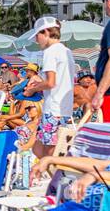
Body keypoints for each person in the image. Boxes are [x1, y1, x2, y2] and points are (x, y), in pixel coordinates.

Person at [24, 16, 77, 160]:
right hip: (64, 107)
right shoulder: (67, 51)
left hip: (53, 107)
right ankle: (49, 172)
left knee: (48, 150)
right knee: (38, 148)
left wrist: (33, 89)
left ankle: (53, 175)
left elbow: (51, 82)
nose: (36, 40)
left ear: (46, 32)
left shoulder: (50, 51)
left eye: (38, 36)